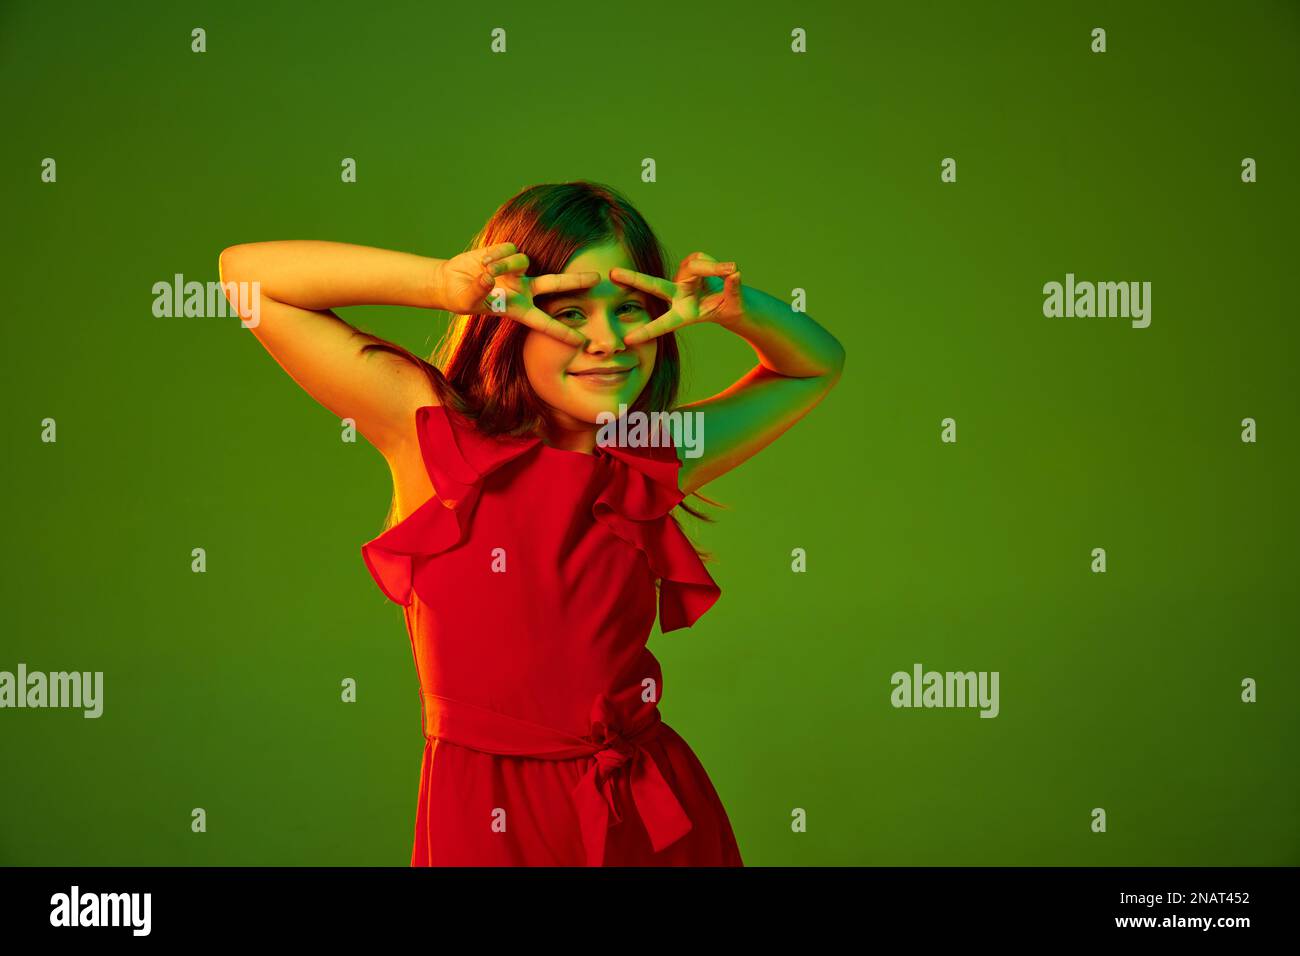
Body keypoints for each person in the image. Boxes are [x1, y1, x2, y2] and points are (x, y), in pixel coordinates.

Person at [218, 181, 845, 866]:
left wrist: (737, 309)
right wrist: (441, 282)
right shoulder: (432, 433)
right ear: (505, 312)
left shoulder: (651, 457)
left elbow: (812, 366)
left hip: (648, 806)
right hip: (489, 812)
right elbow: (247, 277)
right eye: (569, 311)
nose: (607, 341)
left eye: (629, 309)